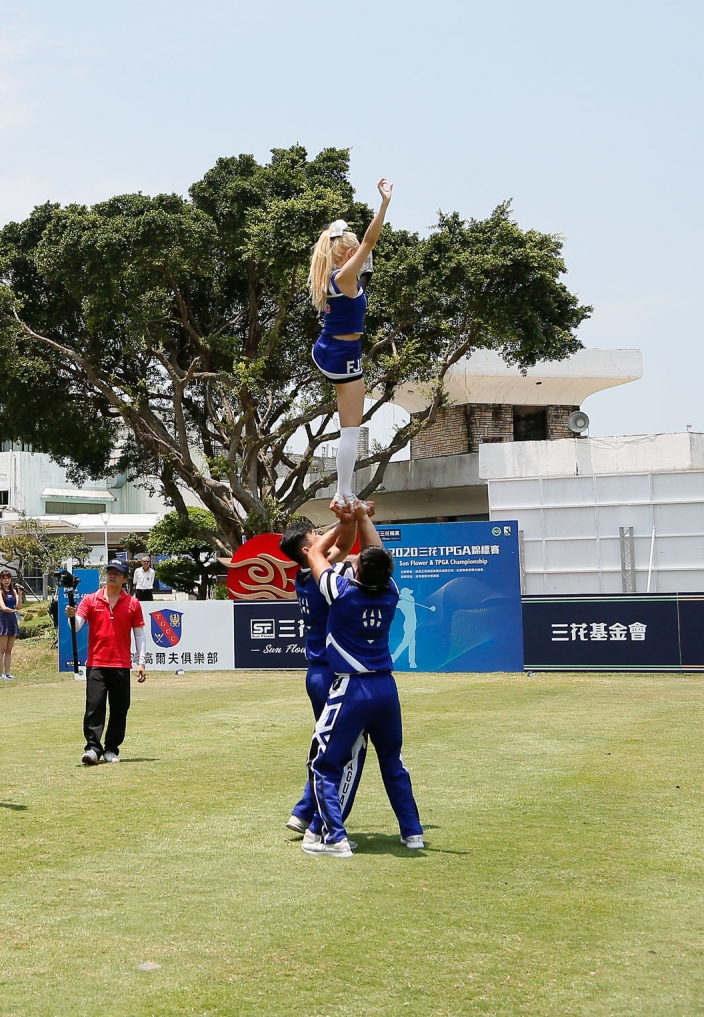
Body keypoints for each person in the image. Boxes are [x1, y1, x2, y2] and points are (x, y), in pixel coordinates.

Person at [301, 500, 424, 858]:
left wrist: (343, 520)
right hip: (386, 687)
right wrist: (361, 516)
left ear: (357, 572)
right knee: (393, 761)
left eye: (355, 562)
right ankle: (412, 832)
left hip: (351, 687)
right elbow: (376, 553)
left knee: (325, 764)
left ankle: (334, 838)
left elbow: (316, 553)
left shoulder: (340, 591)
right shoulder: (391, 592)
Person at [307, 178, 393, 507]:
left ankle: (346, 490)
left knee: (351, 427)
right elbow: (371, 240)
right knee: (351, 430)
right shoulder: (343, 277)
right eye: (358, 252)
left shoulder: (337, 277)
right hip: (341, 356)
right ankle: (344, 492)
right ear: (351, 254)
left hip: (331, 349)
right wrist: (383, 205)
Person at [278, 520, 360, 842]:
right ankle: (325, 825)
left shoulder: (305, 575)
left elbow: (345, 544)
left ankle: (303, 811)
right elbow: (339, 545)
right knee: (342, 751)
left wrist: (349, 519)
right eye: (314, 534)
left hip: (316, 673)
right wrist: (343, 519)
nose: (319, 534)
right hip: (332, 674)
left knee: (326, 748)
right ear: (307, 549)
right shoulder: (320, 577)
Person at [65, 557, 148, 765]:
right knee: (95, 706)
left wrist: (141, 662)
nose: (112, 575)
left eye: (117, 573)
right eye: (110, 571)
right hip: (96, 663)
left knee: (120, 709)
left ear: (125, 579)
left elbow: (139, 635)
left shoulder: (132, 603)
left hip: (121, 664)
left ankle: (111, 748)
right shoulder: (91, 600)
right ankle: (93, 748)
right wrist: (70, 616)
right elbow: (76, 626)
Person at [0, 570, 22, 681]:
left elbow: (19, 607)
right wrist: (14, 610)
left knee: (9, 649)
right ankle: (1, 674)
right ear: (1, 580)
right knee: (2, 649)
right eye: (4, 578)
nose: (7, 580)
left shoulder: (14, 591)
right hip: (3, 620)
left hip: (12, 620)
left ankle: (8, 672)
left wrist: (20, 594)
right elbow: (3, 607)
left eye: (8, 578)